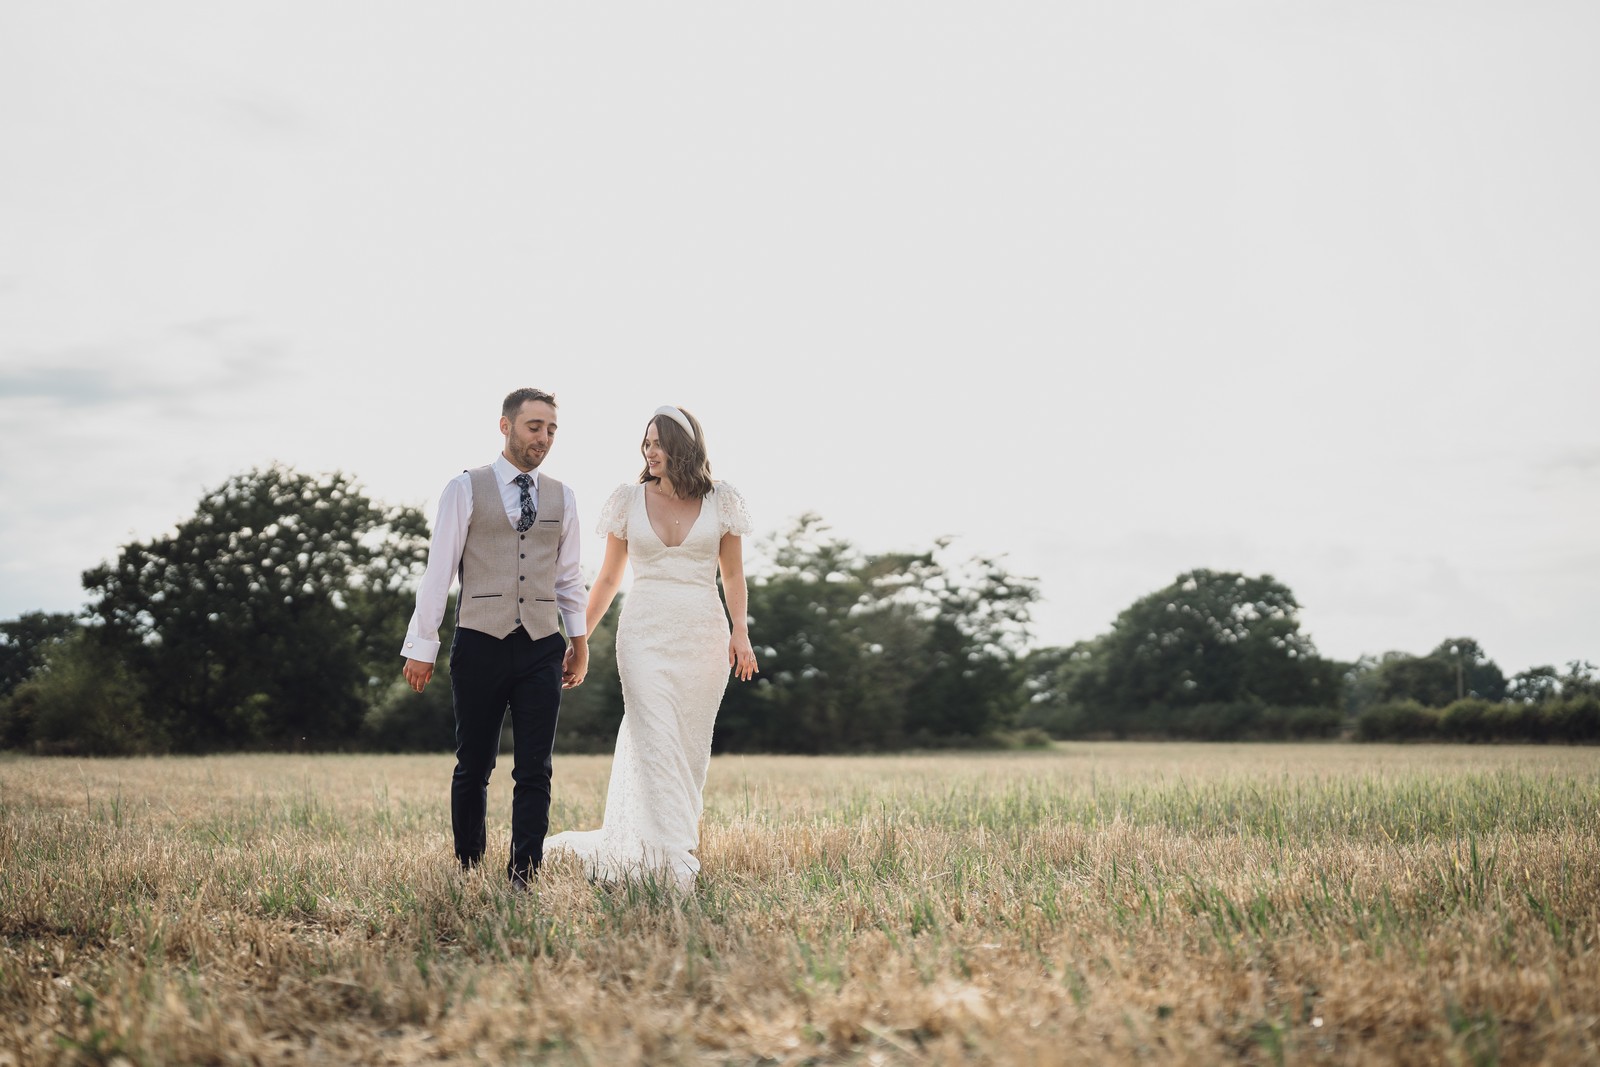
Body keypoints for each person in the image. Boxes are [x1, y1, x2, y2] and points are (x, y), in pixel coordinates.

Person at [545, 405, 756, 890]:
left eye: (660, 443)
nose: (651, 451)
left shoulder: (721, 501)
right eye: (647, 443)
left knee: (686, 752)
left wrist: (739, 630)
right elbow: (608, 578)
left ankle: (661, 846)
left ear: (684, 447)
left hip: (703, 637)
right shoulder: (628, 500)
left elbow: (733, 574)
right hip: (642, 637)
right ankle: (674, 864)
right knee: (655, 740)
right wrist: (578, 639)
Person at [400, 387, 589, 888]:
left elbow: (569, 578)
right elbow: (438, 572)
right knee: (474, 763)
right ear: (505, 427)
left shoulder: (563, 495)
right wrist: (422, 647)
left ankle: (524, 872)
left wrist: (581, 642)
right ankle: (468, 863)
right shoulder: (464, 488)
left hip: (543, 646)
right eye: (534, 427)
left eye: (551, 429)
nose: (543, 438)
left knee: (535, 768)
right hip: (479, 641)